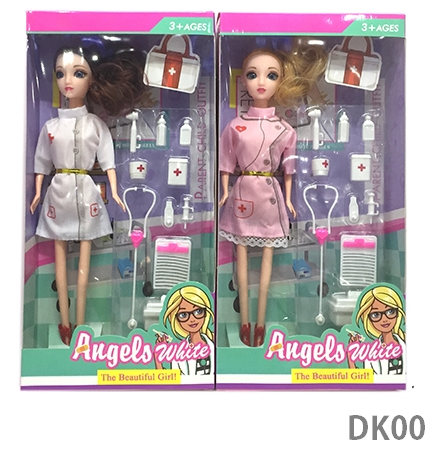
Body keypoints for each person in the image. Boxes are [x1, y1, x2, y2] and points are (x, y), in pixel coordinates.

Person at [30, 44, 148, 346]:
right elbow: (42, 162)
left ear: (92, 79)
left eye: (78, 73)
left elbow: (108, 162)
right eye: (60, 74)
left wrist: (116, 192)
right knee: (60, 260)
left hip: (85, 191)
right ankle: (64, 322)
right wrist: (37, 192)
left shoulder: (96, 125)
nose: (68, 81)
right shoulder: (51, 126)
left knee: (84, 266)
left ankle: (80, 324)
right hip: (58, 193)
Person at [218, 45, 326, 347]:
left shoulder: (285, 129)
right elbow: (226, 161)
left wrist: (289, 199)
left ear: (281, 81)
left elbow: (289, 168)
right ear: (243, 80)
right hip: (243, 192)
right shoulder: (236, 125)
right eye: (253, 75)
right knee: (241, 257)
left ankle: (261, 322)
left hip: (269, 194)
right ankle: (245, 321)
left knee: (267, 258)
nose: (261, 82)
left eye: (271, 75)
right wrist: (224, 190)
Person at [154, 284, 215, 376]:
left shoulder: (212, 342)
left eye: (198, 311)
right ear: (176, 319)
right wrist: (158, 355)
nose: (192, 319)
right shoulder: (180, 352)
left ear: (206, 312)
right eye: (183, 315)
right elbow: (171, 379)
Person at [348, 285, 406, 375]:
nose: (384, 319)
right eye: (376, 315)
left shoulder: (404, 342)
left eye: (390, 311)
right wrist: (351, 355)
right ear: (368, 319)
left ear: (398, 312)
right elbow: (364, 378)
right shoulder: (372, 353)